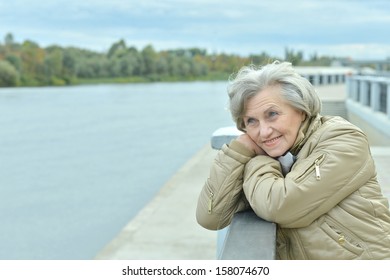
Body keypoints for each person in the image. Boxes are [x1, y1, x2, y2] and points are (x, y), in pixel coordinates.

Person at [196, 61, 390, 260]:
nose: (263, 132)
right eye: (251, 121)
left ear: (301, 110)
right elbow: (210, 217)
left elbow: (281, 206)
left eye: (272, 114)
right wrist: (237, 152)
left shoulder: (343, 138)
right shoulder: (271, 153)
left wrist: (258, 160)